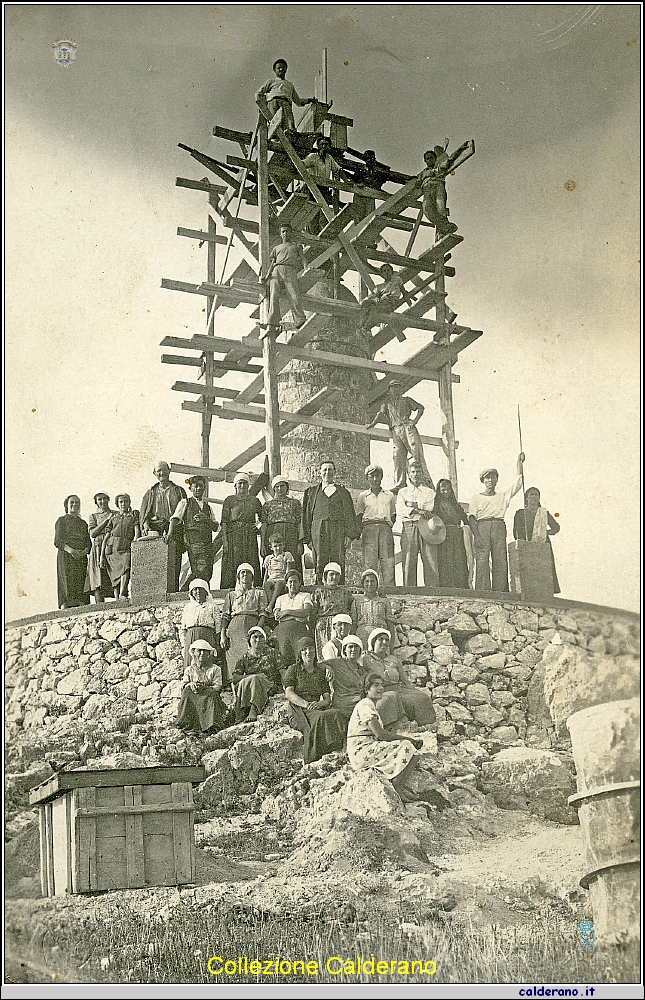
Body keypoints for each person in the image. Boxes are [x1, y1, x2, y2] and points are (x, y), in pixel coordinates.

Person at [347, 673, 424, 802]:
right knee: (408, 746)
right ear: (366, 689)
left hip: (365, 749)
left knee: (413, 752)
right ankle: (397, 786)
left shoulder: (370, 705)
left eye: (382, 685)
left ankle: (399, 785)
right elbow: (380, 734)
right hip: (362, 751)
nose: (381, 688)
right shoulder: (365, 705)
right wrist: (409, 740)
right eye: (376, 685)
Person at [283, 636, 347, 763]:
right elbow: (289, 693)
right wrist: (306, 705)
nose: (308, 652)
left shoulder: (320, 671)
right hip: (299, 708)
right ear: (300, 653)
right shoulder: (293, 670)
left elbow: (327, 698)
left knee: (337, 714)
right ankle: (315, 757)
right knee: (319, 718)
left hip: (316, 706)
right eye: (304, 649)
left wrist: (319, 703)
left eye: (311, 648)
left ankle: (337, 749)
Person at [468, 454, 525, 592]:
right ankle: (482, 590)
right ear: (483, 480)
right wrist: (477, 535)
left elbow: (517, 484)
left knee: (500, 558)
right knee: (482, 559)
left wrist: (519, 463)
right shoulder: (476, 497)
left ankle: (500, 590)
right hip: (482, 526)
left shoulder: (502, 496)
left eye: (493, 477)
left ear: (496, 480)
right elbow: (471, 518)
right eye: (487, 477)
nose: (490, 480)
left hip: (498, 526)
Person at [367, 381, 434, 493]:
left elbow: (420, 408)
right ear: (389, 390)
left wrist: (415, 421)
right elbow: (380, 414)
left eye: (397, 387)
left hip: (407, 427)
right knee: (398, 457)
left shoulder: (406, 400)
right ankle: (400, 484)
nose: (395, 390)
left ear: (400, 388)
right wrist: (372, 424)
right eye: (392, 388)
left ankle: (425, 482)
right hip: (395, 430)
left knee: (416, 454)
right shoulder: (387, 403)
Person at [302, 460, 361, 583]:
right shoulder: (312, 492)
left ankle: (339, 589)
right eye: (325, 470)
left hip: (338, 530)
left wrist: (349, 536)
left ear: (334, 472)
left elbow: (349, 514)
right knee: (319, 561)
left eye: (330, 470)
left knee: (338, 560)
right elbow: (306, 515)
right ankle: (319, 590)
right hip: (318, 530)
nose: (327, 472)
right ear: (320, 472)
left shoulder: (343, 492)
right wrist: (308, 539)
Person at [363, 628, 435, 727]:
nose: (384, 642)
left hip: (399, 689)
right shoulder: (366, 659)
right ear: (373, 642)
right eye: (380, 639)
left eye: (387, 640)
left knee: (422, 697)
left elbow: (405, 680)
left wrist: (414, 691)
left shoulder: (393, 659)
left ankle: (428, 726)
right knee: (408, 701)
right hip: (381, 690)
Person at [140, 461, 187, 593]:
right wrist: (146, 526)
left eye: (164, 470)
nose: (162, 473)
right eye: (159, 471)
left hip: (174, 528)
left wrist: (172, 530)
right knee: (155, 563)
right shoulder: (151, 492)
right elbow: (144, 514)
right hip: (156, 529)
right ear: (154, 473)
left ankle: (173, 591)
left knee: (174, 562)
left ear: (169, 471)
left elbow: (182, 511)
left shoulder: (178, 490)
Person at [396, 460, 445, 587]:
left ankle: (432, 592)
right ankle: (409, 591)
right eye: (413, 472)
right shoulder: (403, 492)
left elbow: (429, 508)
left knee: (430, 559)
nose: (416, 474)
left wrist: (412, 506)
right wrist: (418, 510)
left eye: (418, 471)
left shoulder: (429, 492)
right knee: (408, 560)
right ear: (408, 474)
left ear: (423, 474)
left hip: (426, 526)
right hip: (409, 527)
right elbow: (401, 510)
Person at [220, 563, 268, 686]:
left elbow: (263, 613)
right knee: (234, 656)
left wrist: (257, 629)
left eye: (248, 573)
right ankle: (235, 686)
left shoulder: (259, 593)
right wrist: (223, 635)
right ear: (238, 577)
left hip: (252, 625)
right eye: (242, 573)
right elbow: (225, 616)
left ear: (252, 577)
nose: (245, 575)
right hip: (234, 627)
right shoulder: (231, 595)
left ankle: (251, 684)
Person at [168, 475, 219, 587]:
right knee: (199, 569)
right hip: (194, 542)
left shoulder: (208, 508)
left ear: (204, 488)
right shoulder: (185, 502)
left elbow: (216, 527)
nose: (198, 489)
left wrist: (206, 520)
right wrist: (170, 533)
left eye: (201, 486)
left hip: (207, 543)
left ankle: (202, 591)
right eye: (195, 486)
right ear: (190, 488)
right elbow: (175, 518)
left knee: (208, 570)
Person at [513, 487, 561, 594]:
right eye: (531, 495)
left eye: (536, 495)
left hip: (543, 544)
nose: (534, 497)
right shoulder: (520, 513)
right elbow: (516, 531)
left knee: (544, 568)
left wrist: (544, 533)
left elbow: (556, 527)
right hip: (527, 544)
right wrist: (523, 541)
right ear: (526, 498)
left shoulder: (543, 513)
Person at [355, 464, 396, 586]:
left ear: (381, 477)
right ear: (367, 478)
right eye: (371, 476)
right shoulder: (363, 496)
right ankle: (369, 590)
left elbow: (394, 515)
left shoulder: (389, 495)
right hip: (369, 529)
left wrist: (385, 526)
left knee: (388, 562)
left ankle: (391, 591)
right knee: (370, 563)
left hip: (385, 529)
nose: (374, 479)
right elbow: (359, 515)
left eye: (377, 476)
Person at [175, 639, 227, 736]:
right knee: (187, 691)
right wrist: (191, 684)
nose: (202, 653)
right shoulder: (189, 670)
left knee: (212, 694)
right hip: (194, 696)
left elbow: (217, 687)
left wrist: (205, 688)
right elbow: (183, 685)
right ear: (194, 653)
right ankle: (189, 725)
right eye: (199, 651)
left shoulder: (215, 669)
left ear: (209, 654)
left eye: (205, 651)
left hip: (208, 697)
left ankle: (208, 727)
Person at [220, 473, 262, 589]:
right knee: (231, 563)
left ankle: (254, 588)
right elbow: (224, 522)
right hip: (234, 536)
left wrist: (258, 529)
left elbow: (264, 518)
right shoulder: (229, 500)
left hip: (249, 536)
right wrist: (225, 541)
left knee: (251, 560)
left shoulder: (255, 501)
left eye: (245, 483)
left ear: (248, 485)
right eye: (240, 483)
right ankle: (228, 591)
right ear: (235, 486)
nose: (242, 486)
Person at [231, 626, 282, 722]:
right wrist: (252, 677)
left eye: (261, 637)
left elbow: (282, 671)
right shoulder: (244, 658)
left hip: (269, 686)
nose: (258, 640)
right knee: (251, 680)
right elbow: (235, 678)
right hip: (251, 687)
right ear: (249, 640)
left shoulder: (273, 653)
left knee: (255, 679)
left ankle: (253, 709)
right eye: (255, 637)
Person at [263, 224, 306, 336]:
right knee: (273, 296)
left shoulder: (296, 246)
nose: (285, 233)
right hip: (277, 270)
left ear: (290, 233)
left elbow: (302, 258)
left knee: (294, 294)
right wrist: (267, 276)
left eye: (287, 231)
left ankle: (299, 319)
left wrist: (307, 268)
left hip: (290, 270)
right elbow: (273, 263)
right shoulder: (276, 248)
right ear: (280, 233)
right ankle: (272, 321)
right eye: (283, 231)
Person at [255, 58, 314, 132]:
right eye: (278, 68)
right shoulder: (271, 81)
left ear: (286, 69)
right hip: (274, 103)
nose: (281, 69)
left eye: (283, 67)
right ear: (274, 70)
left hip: (286, 104)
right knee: (274, 126)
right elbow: (258, 94)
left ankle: (290, 133)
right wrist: (264, 109)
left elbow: (298, 101)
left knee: (289, 127)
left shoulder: (289, 85)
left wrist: (309, 100)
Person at [260, 475, 303, 577]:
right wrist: (262, 544)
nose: (280, 489)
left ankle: (295, 588)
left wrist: (300, 542)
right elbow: (264, 525)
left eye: (282, 486)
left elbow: (299, 523)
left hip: (291, 535)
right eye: (277, 486)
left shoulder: (295, 503)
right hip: (273, 534)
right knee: (273, 562)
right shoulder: (268, 505)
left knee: (292, 561)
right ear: (274, 488)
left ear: (287, 487)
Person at [431, 479, 470, 589]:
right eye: (443, 490)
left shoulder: (455, 504)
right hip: (443, 535)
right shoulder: (436, 505)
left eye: (448, 489)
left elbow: (464, 517)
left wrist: (467, 528)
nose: (446, 492)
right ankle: (447, 587)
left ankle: (461, 587)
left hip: (457, 536)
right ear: (439, 491)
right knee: (445, 561)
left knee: (459, 560)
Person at [54, 495, 91, 609]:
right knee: (67, 580)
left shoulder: (83, 523)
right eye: (72, 502)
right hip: (66, 555)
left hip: (81, 556)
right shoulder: (62, 520)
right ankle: (65, 605)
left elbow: (88, 543)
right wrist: (71, 551)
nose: (74, 505)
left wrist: (83, 552)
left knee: (81, 580)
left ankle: (81, 604)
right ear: (67, 505)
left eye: (77, 503)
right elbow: (58, 541)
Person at [101, 494, 140, 598]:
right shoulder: (113, 519)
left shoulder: (133, 517)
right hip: (112, 548)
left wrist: (135, 543)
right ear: (117, 504)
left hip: (125, 546)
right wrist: (101, 556)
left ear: (129, 503)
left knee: (126, 567)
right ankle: (117, 598)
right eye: (121, 502)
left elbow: (136, 530)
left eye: (125, 501)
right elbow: (106, 537)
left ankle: (123, 593)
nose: (123, 504)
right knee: (114, 574)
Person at [312, 562, 354, 659]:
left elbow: (350, 611)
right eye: (331, 574)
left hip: (340, 626)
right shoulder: (319, 592)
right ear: (326, 576)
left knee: (341, 653)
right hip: (323, 627)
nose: (334, 577)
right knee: (325, 654)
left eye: (337, 575)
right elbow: (313, 612)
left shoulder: (346, 593)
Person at [273, 569, 313, 666]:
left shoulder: (306, 596)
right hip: (282, 630)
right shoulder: (280, 599)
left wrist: (287, 612)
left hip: (299, 629)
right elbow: (278, 617)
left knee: (300, 655)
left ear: (299, 583)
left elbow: (306, 612)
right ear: (286, 584)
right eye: (290, 582)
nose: (292, 584)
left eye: (295, 581)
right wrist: (295, 616)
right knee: (282, 655)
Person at [326, 634, 369, 722]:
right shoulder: (338, 662)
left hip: (359, 701)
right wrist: (328, 667)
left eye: (356, 647)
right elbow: (319, 664)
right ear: (345, 650)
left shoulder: (362, 671)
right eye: (350, 647)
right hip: (343, 701)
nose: (353, 650)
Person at [351, 569, 399, 649]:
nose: (369, 584)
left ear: (377, 583)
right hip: (362, 637)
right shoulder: (357, 602)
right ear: (363, 584)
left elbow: (390, 625)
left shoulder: (384, 601)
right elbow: (353, 624)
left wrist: (391, 647)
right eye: (367, 581)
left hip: (380, 637)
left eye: (372, 581)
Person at [179, 578, 221, 669]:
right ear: (191, 593)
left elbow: (218, 627)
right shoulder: (188, 607)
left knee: (206, 663)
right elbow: (183, 628)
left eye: (201, 589)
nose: (198, 592)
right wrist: (184, 644)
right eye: (195, 589)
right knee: (191, 664)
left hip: (207, 637)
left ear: (206, 591)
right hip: (191, 638)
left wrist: (217, 644)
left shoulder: (212, 606)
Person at [418, 148, 458, 238]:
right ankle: (446, 226)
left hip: (438, 188)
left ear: (435, 159)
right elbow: (417, 182)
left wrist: (460, 150)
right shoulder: (423, 173)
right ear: (425, 160)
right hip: (427, 190)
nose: (429, 160)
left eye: (431, 158)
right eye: (427, 158)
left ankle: (441, 233)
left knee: (440, 209)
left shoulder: (439, 167)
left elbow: (450, 159)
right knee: (427, 209)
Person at [85, 493, 115, 603]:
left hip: (111, 544)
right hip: (97, 547)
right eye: (99, 500)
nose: (102, 502)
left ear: (108, 499)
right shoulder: (93, 516)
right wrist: (106, 521)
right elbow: (93, 533)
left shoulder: (115, 513)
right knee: (97, 577)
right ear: (96, 502)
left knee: (114, 573)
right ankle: (99, 605)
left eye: (104, 499)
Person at [359, 264, 405, 333]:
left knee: (374, 309)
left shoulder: (397, 279)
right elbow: (375, 294)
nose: (386, 272)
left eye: (388, 270)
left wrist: (409, 299)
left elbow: (403, 290)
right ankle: (360, 325)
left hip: (391, 301)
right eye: (384, 271)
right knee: (365, 303)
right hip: (382, 301)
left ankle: (366, 328)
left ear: (392, 272)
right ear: (382, 274)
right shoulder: (381, 286)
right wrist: (377, 297)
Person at [262, 533, 294, 612]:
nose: (278, 548)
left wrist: (287, 582)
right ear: (271, 547)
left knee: (278, 584)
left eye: (280, 545)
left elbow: (288, 571)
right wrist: (264, 583)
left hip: (282, 577)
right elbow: (266, 573)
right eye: (275, 546)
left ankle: (271, 605)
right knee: (267, 585)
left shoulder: (286, 555)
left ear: (284, 545)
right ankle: (271, 604)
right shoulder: (268, 558)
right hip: (272, 578)